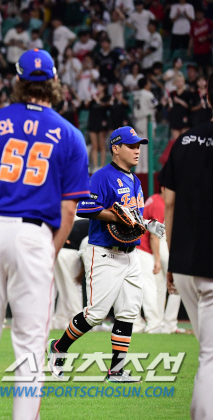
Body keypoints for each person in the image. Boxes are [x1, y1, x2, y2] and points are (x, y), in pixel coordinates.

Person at [0, 49, 90, 419]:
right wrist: (49, 250)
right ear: (54, 82)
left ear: (18, 81)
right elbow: (68, 209)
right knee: (29, 348)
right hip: (33, 235)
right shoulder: (71, 135)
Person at [48, 126, 163, 385]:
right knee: (96, 313)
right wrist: (115, 215)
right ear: (115, 148)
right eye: (131, 146)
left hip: (130, 253)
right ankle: (58, 347)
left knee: (129, 311)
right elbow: (86, 207)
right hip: (105, 253)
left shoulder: (135, 181)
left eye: (138, 146)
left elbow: (133, 217)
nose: (136, 151)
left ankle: (116, 370)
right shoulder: (102, 176)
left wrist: (147, 223)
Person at [159, 73, 213, 418]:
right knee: (211, 353)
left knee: (207, 349)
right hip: (210, 267)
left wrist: (172, 261)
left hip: (185, 265)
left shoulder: (184, 140)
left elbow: (170, 205)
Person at [134, 186, 168, 333]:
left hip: (135, 247)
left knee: (134, 289)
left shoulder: (153, 199)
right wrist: (157, 259)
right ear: (164, 188)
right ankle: (154, 325)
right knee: (149, 288)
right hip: (142, 249)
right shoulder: (159, 203)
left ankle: (136, 325)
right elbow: (154, 235)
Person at [51, 219, 90, 331]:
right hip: (69, 252)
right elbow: (86, 248)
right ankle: (78, 322)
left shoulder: (87, 223)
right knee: (73, 287)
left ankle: (60, 321)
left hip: (58, 249)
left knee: (64, 289)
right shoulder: (98, 226)